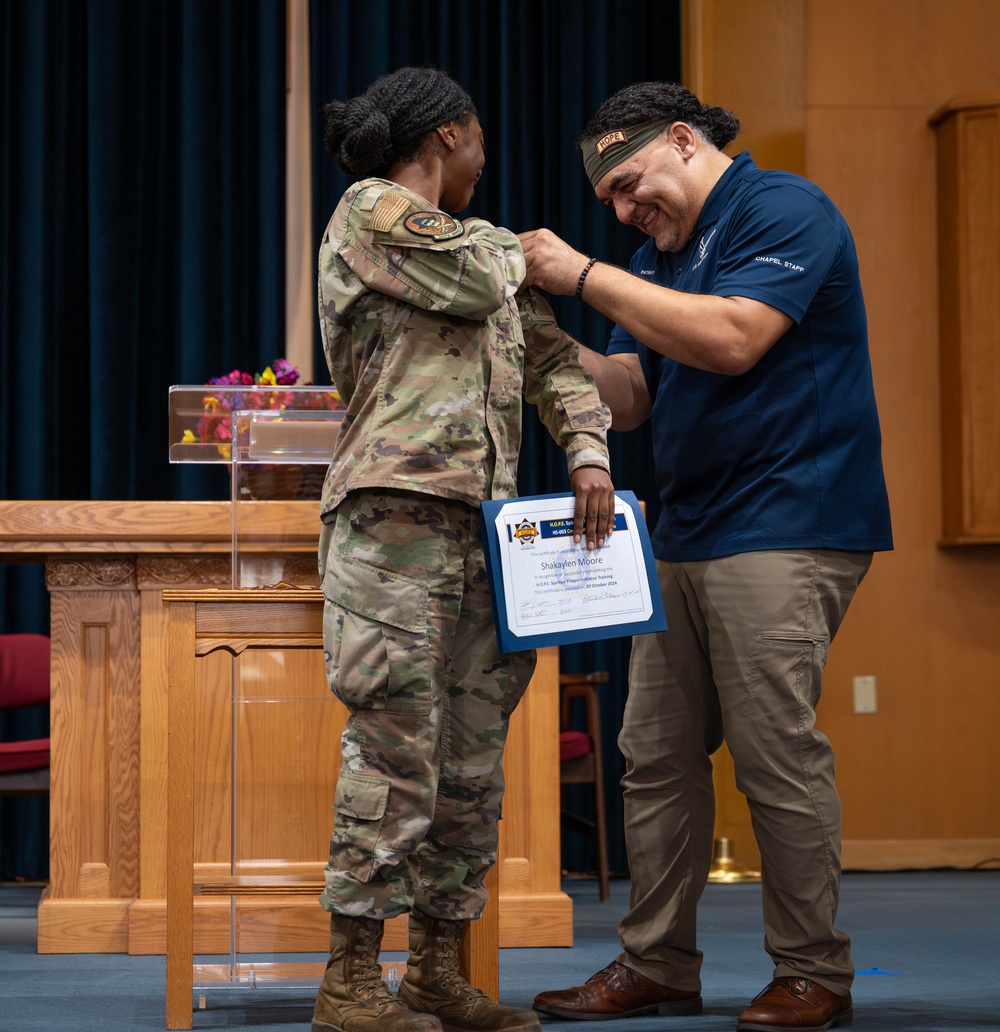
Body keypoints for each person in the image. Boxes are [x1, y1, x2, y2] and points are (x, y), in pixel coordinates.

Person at [517, 81, 892, 1032]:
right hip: (683, 530)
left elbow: (732, 340)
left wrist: (584, 274)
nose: (627, 210)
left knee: (775, 757)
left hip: (787, 522)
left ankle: (814, 972)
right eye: (609, 203)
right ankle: (658, 964)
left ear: (684, 140)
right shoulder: (658, 260)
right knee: (653, 757)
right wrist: (541, 339)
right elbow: (632, 397)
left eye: (634, 184)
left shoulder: (784, 209)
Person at [313, 66, 615, 1032]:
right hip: (391, 524)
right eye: (480, 138)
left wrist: (589, 452)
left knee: (471, 768)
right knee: (395, 753)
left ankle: (436, 972)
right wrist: (519, 249)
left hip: (488, 535)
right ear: (447, 134)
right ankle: (350, 984)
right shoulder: (374, 211)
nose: (488, 159)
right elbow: (491, 272)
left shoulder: (476, 251)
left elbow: (557, 361)